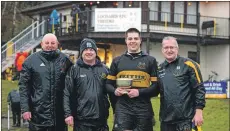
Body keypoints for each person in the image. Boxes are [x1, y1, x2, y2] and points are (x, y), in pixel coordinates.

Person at [106, 28, 159, 131]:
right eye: (130, 38)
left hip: (143, 107)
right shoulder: (117, 61)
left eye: (135, 38)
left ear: (140, 40)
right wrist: (115, 91)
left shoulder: (150, 60)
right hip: (123, 107)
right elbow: (108, 84)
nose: (133, 41)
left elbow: (156, 88)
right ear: (126, 41)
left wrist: (139, 92)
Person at [19, 33, 73, 131]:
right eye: (47, 43)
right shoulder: (30, 61)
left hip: (59, 116)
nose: (50, 45)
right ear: (41, 44)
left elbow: (72, 86)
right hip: (38, 115)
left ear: (57, 44)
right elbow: (23, 86)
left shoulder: (65, 60)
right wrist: (25, 108)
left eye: (52, 43)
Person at [158, 36, 206, 131]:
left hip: (186, 120)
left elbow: (199, 89)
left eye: (172, 47)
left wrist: (199, 111)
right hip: (166, 121)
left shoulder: (189, 65)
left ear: (177, 49)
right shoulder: (159, 68)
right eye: (166, 48)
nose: (169, 50)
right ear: (162, 50)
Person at [64, 38, 110, 131]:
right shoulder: (74, 69)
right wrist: (68, 114)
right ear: (81, 52)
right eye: (86, 50)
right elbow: (66, 93)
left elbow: (111, 91)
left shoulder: (104, 69)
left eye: (91, 49)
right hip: (82, 121)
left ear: (95, 52)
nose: (89, 52)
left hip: (101, 120)